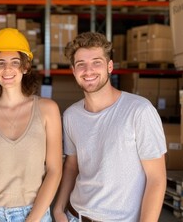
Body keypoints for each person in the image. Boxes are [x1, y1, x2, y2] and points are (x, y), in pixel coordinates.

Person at [53, 32, 167, 222]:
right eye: (81, 64)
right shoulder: (71, 115)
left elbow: (156, 179)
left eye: (96, 62)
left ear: (110, 66)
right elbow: (72, 166)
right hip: (74, 216)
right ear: (73, 70)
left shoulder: (139, 110)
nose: (88, 71)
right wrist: (58, 209)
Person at [0, 28, 63, 222]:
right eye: (0, 63)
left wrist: (32, 219)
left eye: (15, 62)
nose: (7, 69)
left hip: (36, 214)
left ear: (25, 67)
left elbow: (54, 170)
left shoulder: (48, 110)